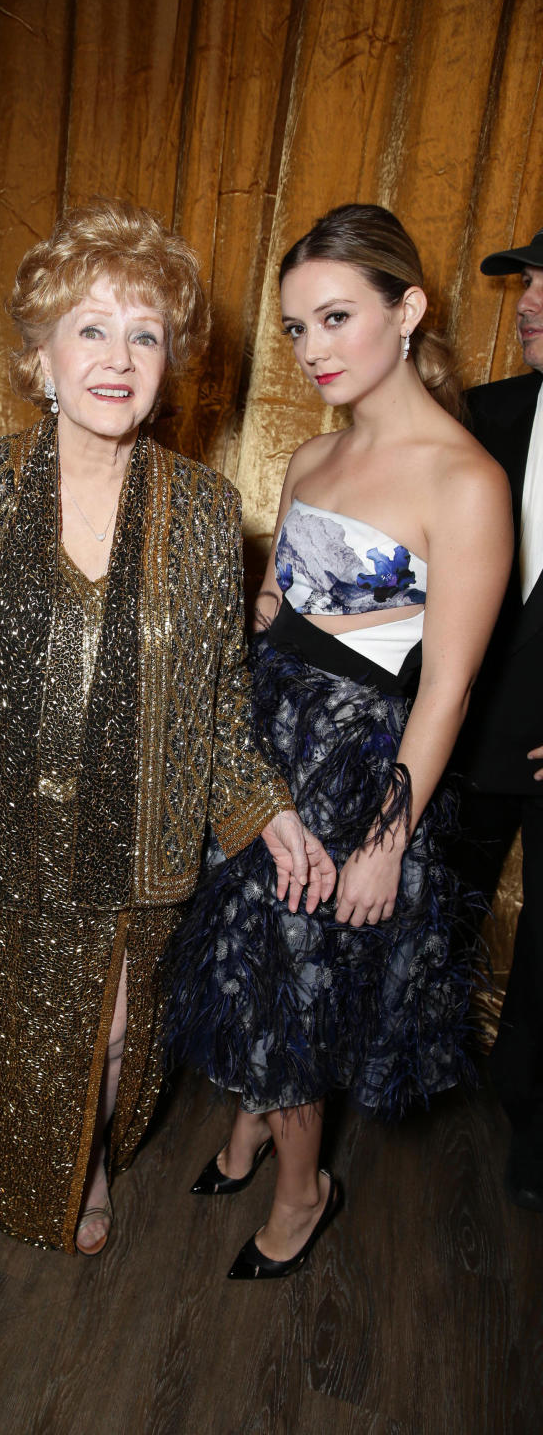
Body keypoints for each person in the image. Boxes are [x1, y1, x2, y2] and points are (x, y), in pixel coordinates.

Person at [0, 197, 335, 1257]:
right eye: (92, 327)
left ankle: (91, 1168)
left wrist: (268, 812)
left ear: (171, 362)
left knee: (116, 1034)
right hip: (1, 835)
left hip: (140, 837)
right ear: (41, 356)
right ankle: (18, 1166)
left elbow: (218, 694)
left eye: (146, 333)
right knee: (13, 1037)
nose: (118, 358)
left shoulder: (207, 511)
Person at [165, 204, 512, 1279]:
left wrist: (384, 844)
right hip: (262, 747)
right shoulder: (311, 455)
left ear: (406, 311)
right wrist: (264, 614)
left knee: (287, 983)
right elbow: (280, 603)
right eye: (296, 328)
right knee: (233, 954)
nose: (313, 350)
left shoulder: (467, 482)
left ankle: (303, 1191)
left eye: (335, 318)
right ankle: (255, 1124)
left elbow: (447, 688)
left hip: (354, 775)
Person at [452, 225, 543, 1213]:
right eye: (528, 281)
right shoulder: (482, 416)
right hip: (467, 737)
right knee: (431, 916)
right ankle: (406, 1088)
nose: (530, 301)